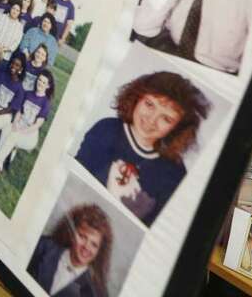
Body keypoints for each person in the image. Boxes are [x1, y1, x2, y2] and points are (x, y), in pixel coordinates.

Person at [74, 71, 209, 226]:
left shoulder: (175, 173)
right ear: (136, 97)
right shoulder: (107, 130)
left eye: (166, 118)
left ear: (178, 128)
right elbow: (74, 180)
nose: (152, 120)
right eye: (149, 104)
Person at [28, 204, 113, 297]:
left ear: (99, 251)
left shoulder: (98, 293)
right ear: (72, 233)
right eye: (82, 236)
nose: (86, 247)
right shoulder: (42, 247)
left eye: (94, 245)